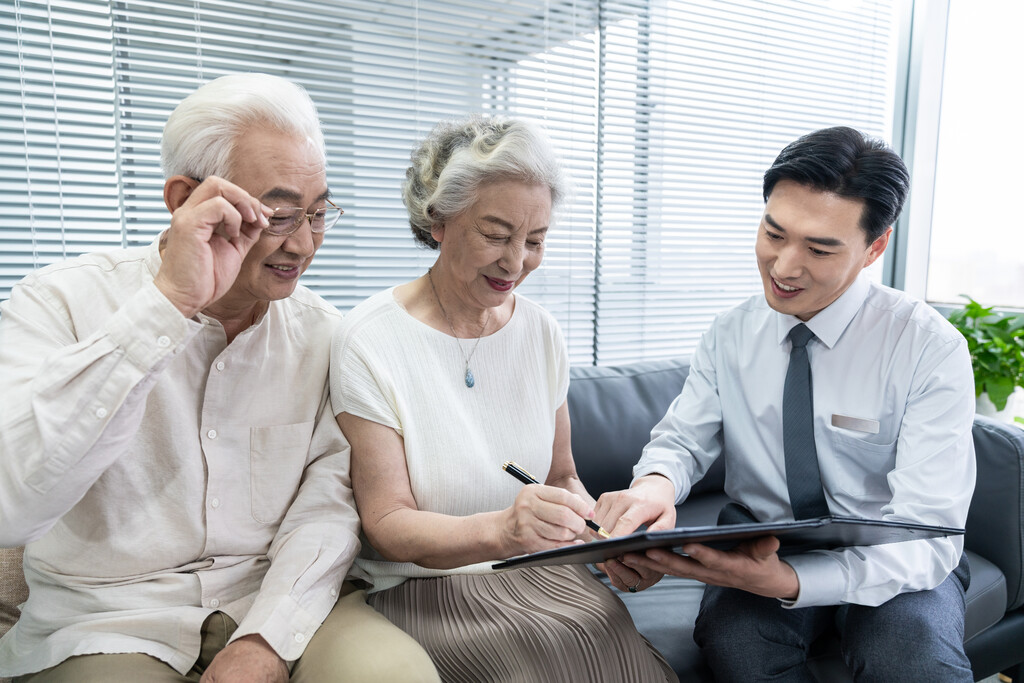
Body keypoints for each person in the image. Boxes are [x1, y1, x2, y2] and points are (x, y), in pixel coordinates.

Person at [0, 73, 437, 683]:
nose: (306, 244)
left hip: (280, 599)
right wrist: (169, 304)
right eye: (281, 215)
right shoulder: (59, 302)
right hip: (107, 617)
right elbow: (12, 505)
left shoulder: (323, 332)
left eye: (317, 213)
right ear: (184, 199)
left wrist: (266, 639)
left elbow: (327, 506)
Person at [595, 126, 976, 681]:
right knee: (740, 648)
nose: (784, 267)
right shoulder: (731, 332)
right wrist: (651, 488)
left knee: (913, 655)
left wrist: (790, 584)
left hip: (891, 552)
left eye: (819, 248)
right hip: (761, 538)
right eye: (774, 233)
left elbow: (926, 533)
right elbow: (682, 441)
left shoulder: (928, 348)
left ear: (875, 247)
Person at [331, 115, 677, 682]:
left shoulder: (540, 331)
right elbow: (387, 524)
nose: (516, 262)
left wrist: (602, 539)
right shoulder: (368, 339)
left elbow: (561, 476)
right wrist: (502, 531)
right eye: (495, 235)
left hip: (546, 576)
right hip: (426, 591)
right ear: (438, 219)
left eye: (535, 240)